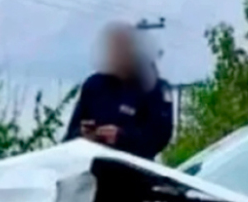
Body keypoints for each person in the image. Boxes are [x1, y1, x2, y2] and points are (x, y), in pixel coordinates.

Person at [64, 22, 175, 160]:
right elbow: (69, 136)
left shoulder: (155, 89)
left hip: (133, 174)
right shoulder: (94, 85)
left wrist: (121, 137)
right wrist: (83, 135)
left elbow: (158, 138)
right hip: (91, 169)